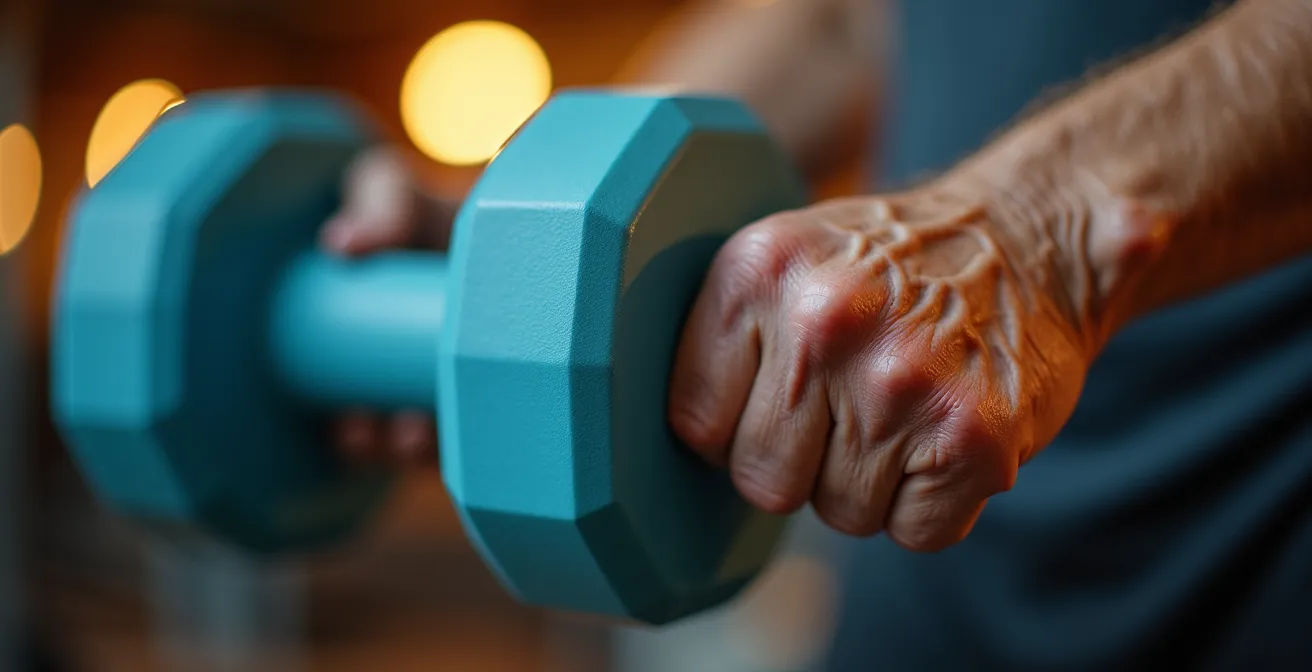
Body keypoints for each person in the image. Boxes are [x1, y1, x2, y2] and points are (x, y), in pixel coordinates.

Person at [320, 0, 1312, 667]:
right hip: (915, 582)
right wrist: (537, 228)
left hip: (1250, 549)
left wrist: (1044, 222)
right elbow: (844, 17)